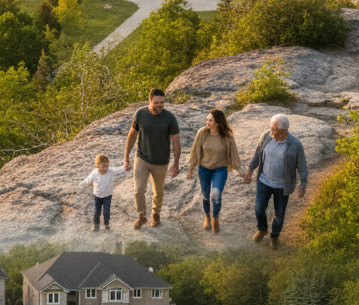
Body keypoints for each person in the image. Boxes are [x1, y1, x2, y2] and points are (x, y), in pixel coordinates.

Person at [243, 114, 308, 249]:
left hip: (282, 186)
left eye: (273, 129)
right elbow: (257, 155)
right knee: (259, 208)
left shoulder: (295, 144)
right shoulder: (266, 137)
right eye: (271, 127)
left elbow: (302, 165)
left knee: (279, 215)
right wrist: (249, 171)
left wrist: (303, 184)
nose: (270, 131)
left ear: (283, 130)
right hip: (264, 181)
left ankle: (274, 236)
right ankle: (262, 229)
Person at [122, 88, 181, 229]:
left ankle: (156, 214)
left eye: (162, 102)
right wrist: (126, 158)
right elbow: (131, 136)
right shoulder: (140, 114)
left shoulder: (170, 118)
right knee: (138, 190)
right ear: (150, 100)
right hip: (141, 157)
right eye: (157, 102)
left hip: (161, 161)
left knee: (158, 191)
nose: (160, 105)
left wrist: (176, 164)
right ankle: (142, 216)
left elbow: (176, 142)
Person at [186, 109, 242, 234]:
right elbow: (195, 152)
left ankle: (215, 218)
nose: (207, 122)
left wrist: (244, 174)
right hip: (204, 169)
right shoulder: (202, 133)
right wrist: (191, 170)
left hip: (220, 169)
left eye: (210, 120)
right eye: (207, 119)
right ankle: (207, 216)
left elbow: (234, 157)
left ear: (217, 122)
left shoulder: (227, 137)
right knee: (205, 195)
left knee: (216, 195)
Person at [78, 154, 128, 231]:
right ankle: (96, 225)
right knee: (97, 211)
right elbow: (88, 180)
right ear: (97, 165)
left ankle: (106, 224)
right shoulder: (94, 173)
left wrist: (125, 168)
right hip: (97, 196)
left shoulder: (110, 171)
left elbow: (119, 170)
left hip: (108, 195)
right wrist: (81, 184)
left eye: (107, 166)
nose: (105, 168)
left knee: (106, 212)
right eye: (103, 166)